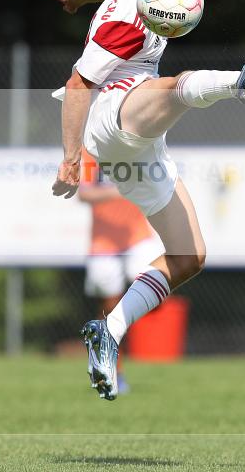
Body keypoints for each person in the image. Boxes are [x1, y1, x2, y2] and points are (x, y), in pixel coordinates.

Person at [47, 0, 245, 400]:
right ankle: (238, 82)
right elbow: (77, 84)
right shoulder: (128, 23)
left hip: (139, 142)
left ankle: (108, 330)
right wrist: (70, 159)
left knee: (189, 255)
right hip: (111, 117)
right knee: (176, 88)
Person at [78, 147, 163, 394]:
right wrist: (119, 191)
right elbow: (83, 194)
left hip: (138, 237)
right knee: (109, 309)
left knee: (157, 285)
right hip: (103, 242)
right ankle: (114, 371)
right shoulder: (90, 153)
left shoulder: (136, 143)